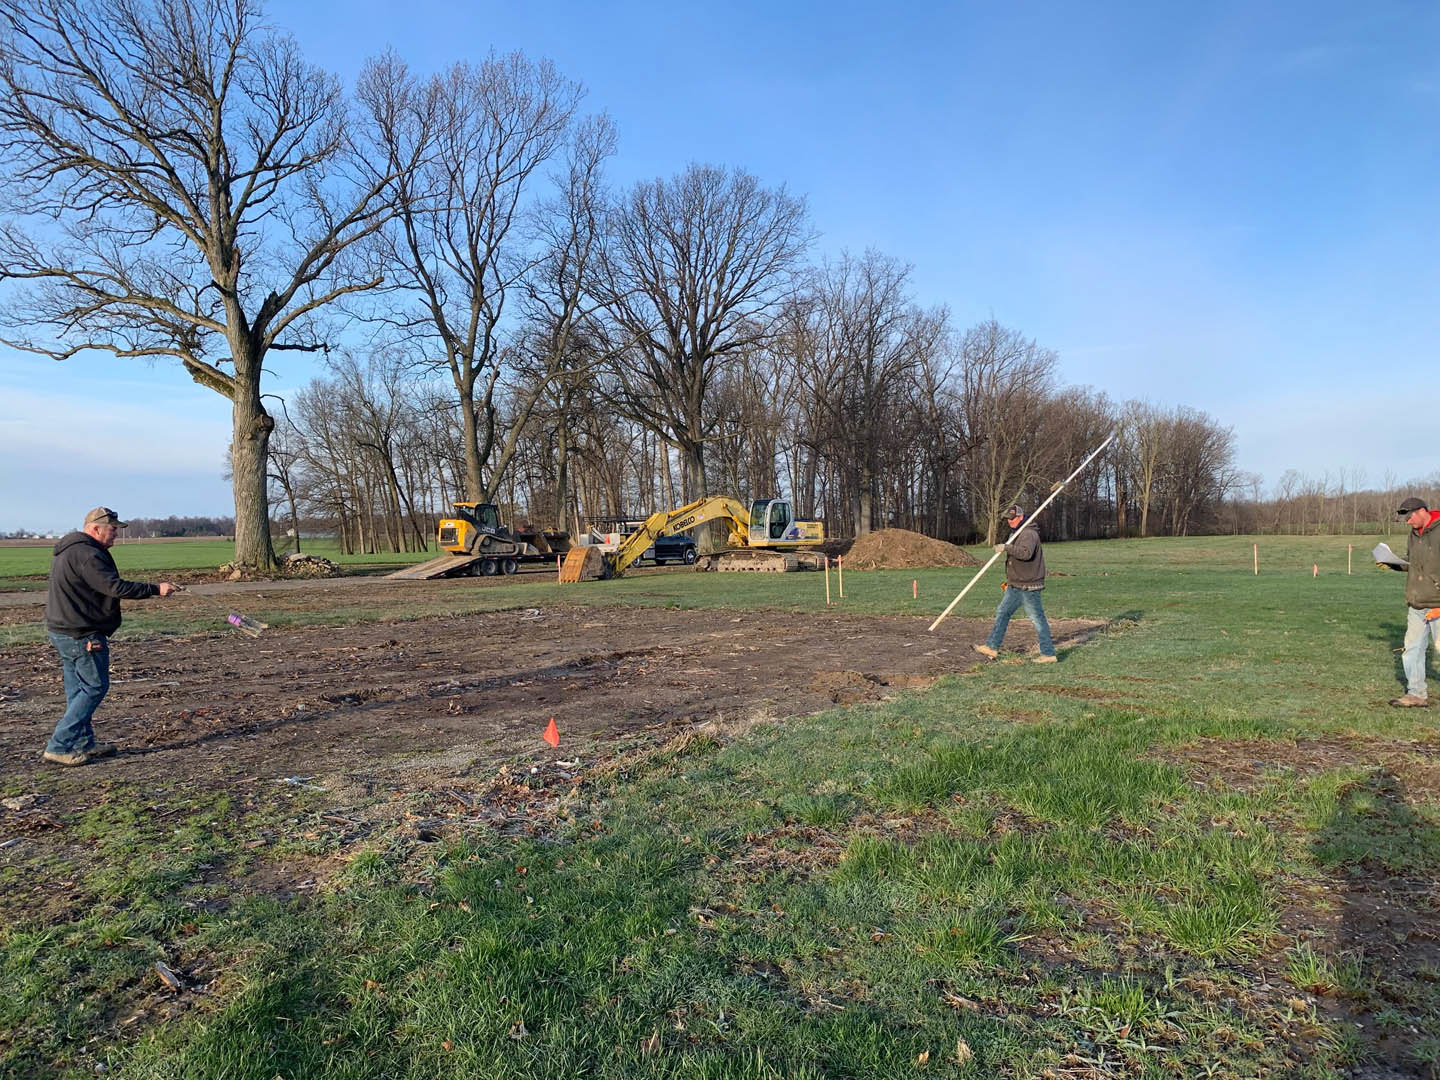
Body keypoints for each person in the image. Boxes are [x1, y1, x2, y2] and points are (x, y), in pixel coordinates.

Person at [43, 507, 177, 765]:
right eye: (113, 530)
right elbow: (114, 587)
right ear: (95, 528)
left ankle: (83, 742)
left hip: (64, 629)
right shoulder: (87, 554)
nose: (116, 535)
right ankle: (59, 745)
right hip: (82, 632)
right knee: (95, 687)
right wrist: (156, 589)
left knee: (79, 690)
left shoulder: (71, 549)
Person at [973, 504, 1057, 663]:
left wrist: (1006, 547)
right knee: (1003, 612)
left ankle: (1048, 654)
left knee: (1037, 619)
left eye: (1012, 519)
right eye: (1008, 519)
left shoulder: (1029, 533)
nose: (1009, 522)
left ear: (1020, 517)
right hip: (1016, 584)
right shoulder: (1017, 532)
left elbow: (1025, 553)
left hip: (1029, 586)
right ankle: (992, 646)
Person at [1385, 496, 1440, 707]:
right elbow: (1416, 564)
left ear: (1421, 511)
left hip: (1437, 602)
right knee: (1412, 649)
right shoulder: (1414, 535)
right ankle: (1416, 693)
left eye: (1409, 518)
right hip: (1417, 603)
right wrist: (1394, 565)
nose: (1407, 522)